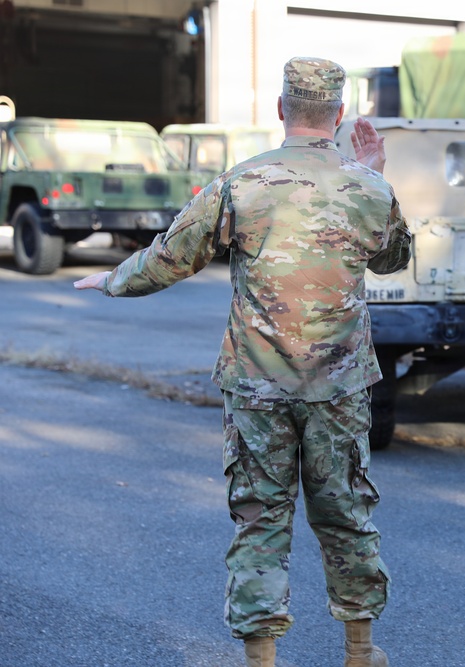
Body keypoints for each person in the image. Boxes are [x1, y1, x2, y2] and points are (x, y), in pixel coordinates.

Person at [74, 56, 411, 667]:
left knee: (260, 518)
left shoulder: (242, 182)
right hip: (339, 387)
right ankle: (360, 653)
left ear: (281, 109)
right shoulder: (367, 186)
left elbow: (173, 256)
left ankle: (261, 658)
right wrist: (375, 175)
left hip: (257, 385)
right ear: (338, 115)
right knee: (345, 513)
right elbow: (392, 260)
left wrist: (112, 279)